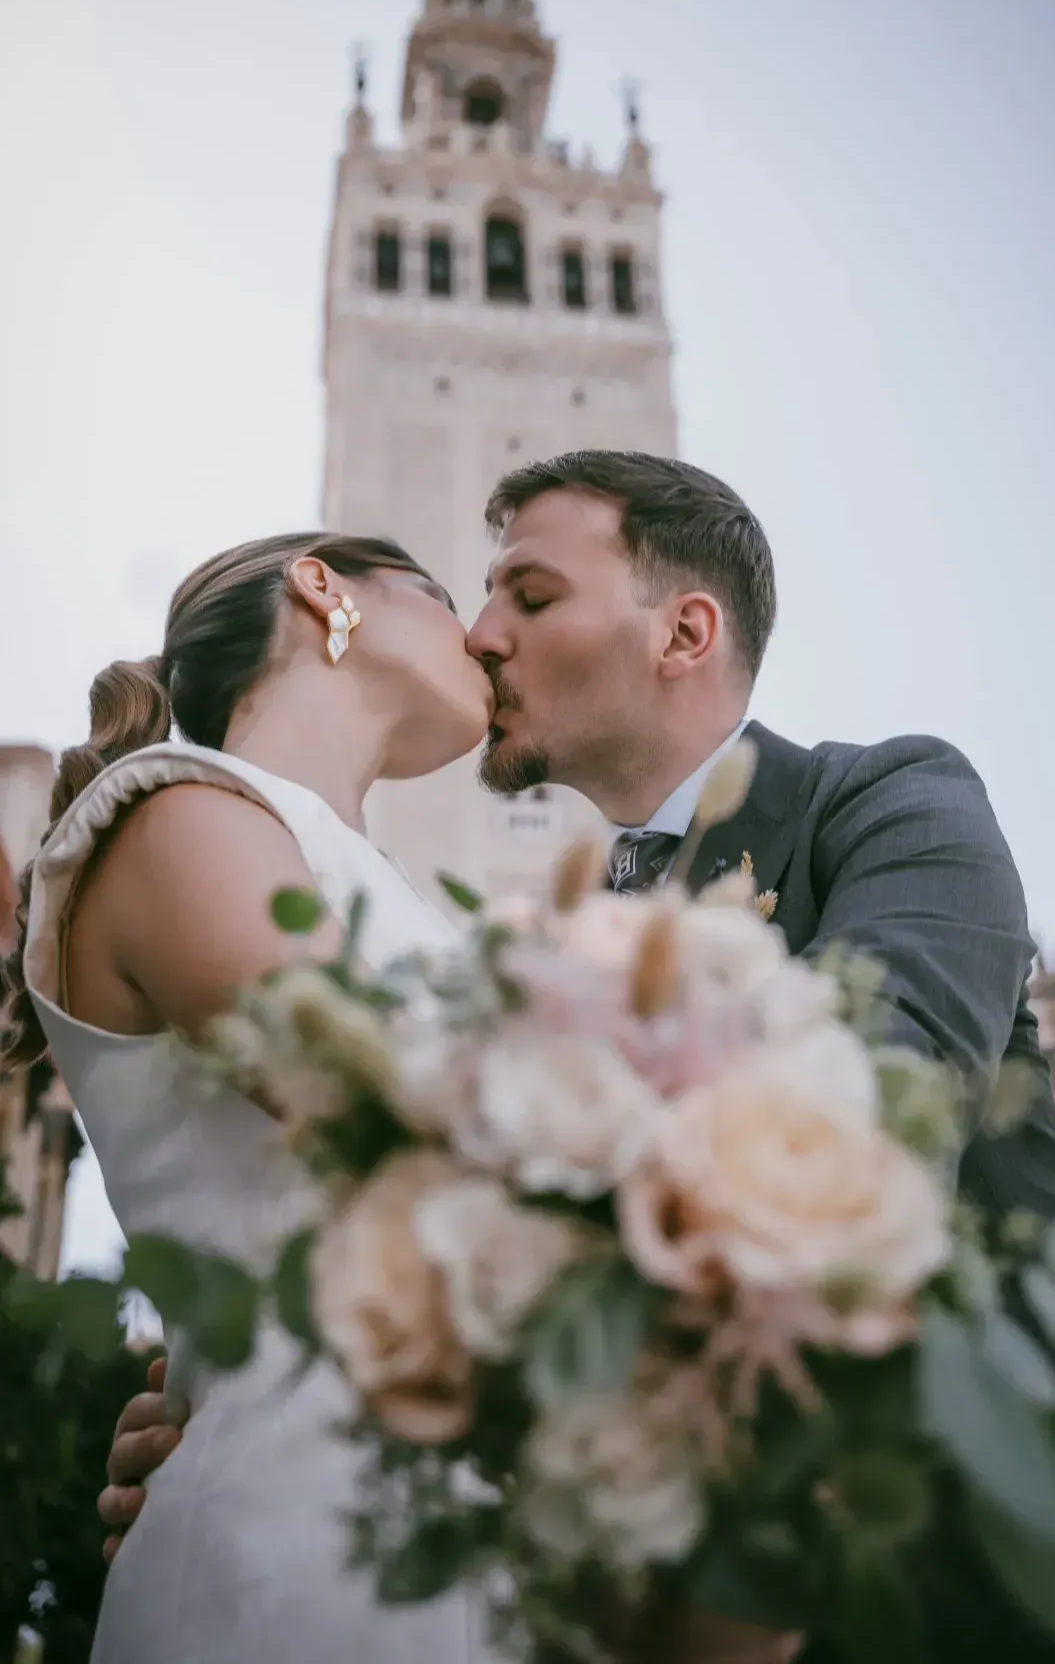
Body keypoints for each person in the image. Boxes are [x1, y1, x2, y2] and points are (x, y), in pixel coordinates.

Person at [92, 451, 1055, 1653]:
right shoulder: (517, 954)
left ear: (683, 631)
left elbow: (876, 1120)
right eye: (473, 598)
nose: (484, 636)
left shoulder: (884, 803)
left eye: (529, 597)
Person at [1, 532, 502, 1664]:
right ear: (323, 584)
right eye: (444, 593)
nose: (481, 631)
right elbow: (395, 1110)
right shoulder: (175, 815)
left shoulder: (408, 903)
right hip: (306, 1547)